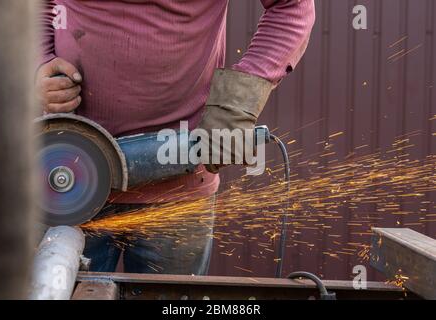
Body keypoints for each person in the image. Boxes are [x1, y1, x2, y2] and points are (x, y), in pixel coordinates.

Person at [36, 0, 315, 274]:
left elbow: (292, 5)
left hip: (179, 184)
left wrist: (237, 104)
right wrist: (39, 64)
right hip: (66, 178)